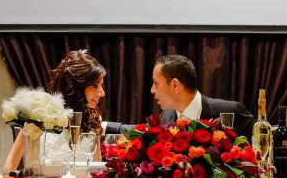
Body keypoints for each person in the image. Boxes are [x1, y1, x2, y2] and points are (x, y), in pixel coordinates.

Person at [104, 55, 254, 139]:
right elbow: (142, 131)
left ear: (175, 85)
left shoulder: (231, 111)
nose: (152, 90)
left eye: (156, 83)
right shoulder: (167, 116)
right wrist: (103, 126)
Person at [4, 50, 106, 170]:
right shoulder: (39, 114)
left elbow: (97, 171)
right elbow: (10, 165)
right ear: (77, 86)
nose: (102, 93)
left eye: (101, 86)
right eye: (95, 86)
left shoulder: (93, 119)